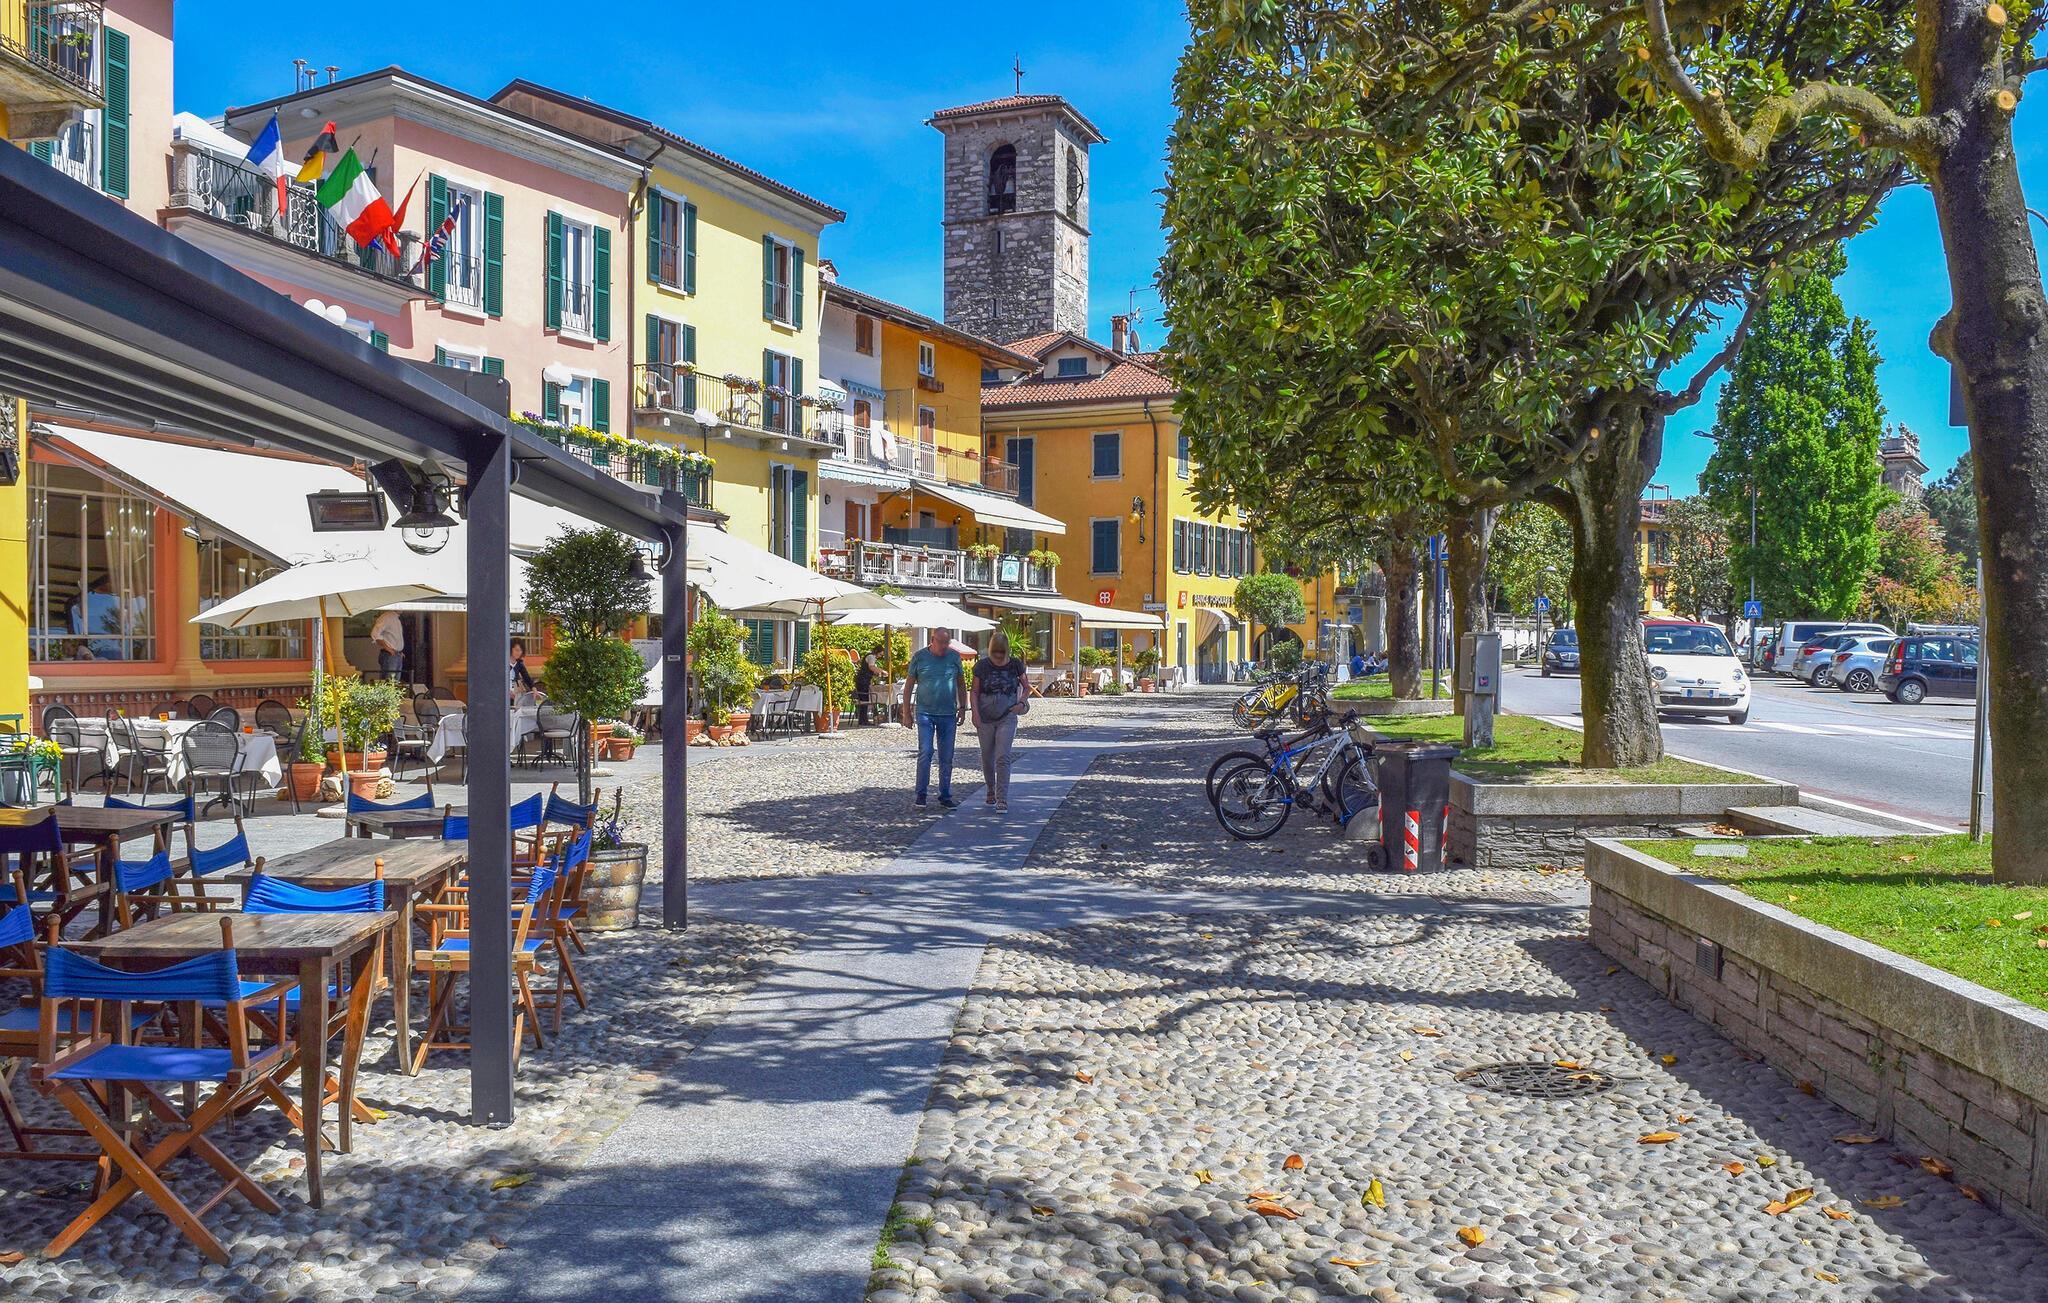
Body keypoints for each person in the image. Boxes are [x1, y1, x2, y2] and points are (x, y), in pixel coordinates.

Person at [902, 627, 967, 809]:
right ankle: (921, 794)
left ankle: (945, 795)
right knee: (926, 751)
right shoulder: (920, 657)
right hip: (925, 713)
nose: (944, 646)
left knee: (947, 756)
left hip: (948, 713)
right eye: (941, 642)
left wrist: (963, 707)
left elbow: (961, 684)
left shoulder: (954, 657)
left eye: (947, 642)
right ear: (932, 640)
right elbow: (908, 686)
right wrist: (907, 712)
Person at [972, 631, 1029, 812]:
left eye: (1001, 652)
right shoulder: (982, 666)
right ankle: (990, 789)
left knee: (1003, 756)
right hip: (985, 717)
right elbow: (974, 691)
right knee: (987, 756)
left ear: (1006, 651)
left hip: (1007, 715)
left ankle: (1002, 798)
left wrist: (1021, 703)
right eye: (995, 652)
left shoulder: (1015, 665)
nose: (998, 656)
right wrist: (975, 714)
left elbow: (1026, 687)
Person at [371, 610, 405, 681]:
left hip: (396, 654)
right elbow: (375, 633)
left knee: (395, 682)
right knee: (389, 681)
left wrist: (398, 651)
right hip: (389, 654)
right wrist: (387, 648)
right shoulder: (387, 617)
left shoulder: (396, 618)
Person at [854, 648, 881, 725]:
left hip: (862, 680)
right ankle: (863, 721)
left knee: (864, 700)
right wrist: (881, 671)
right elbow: (871, 667)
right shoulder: (871, 657)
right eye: (880, 654)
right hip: (863, 681)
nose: (880, 656)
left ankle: (863, 720)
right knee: (864, 701)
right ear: (876, 652)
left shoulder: (870, 656)